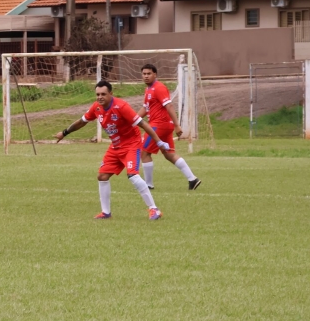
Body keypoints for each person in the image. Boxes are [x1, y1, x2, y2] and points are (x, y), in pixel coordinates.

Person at [54, 80, 170, 220]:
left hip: (131, 144)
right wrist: (64, 132)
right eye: (97, 94)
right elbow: (81, 122)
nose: (100, 97)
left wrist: (159, 141)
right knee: (102, 176)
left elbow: (143, 124)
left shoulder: (121, 106)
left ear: (111, 94)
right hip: (115, 146)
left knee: (133, 175)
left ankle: (154, 209)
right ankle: (105, 213)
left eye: (103, 94)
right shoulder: (96, 107)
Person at [138, 64, 201, 191]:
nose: (146, 76)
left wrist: (177, 125)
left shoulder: (159, 88)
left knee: (144, 153)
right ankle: (192, 179)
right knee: (169, 154)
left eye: (149, 73)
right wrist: (132, 119)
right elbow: (146, 108)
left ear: (155, 74)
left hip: (158, 126)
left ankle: (148, 185)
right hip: (164, 126)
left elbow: (169, 106)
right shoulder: (148, 90)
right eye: (144, 74)